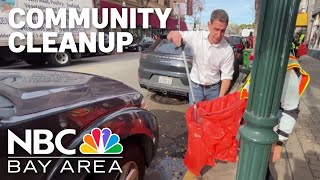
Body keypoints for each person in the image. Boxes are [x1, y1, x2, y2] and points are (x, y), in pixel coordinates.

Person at [240, 52, 310, 179]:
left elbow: (291, 109)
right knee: (253, 167)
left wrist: (279, 144)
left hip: (268, 132)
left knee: (261, 171)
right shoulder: (265, 56)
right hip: (253, 126)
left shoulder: (287, 67)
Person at [167, 9, 234, 104]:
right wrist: (174, 34)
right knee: (195, 116)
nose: (219, 35)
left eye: (222, 31)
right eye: (216, 29)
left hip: (213, 90)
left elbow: (227, 76)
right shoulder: (196, 37)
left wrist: (220, 98)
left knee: (212, 117)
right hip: (195, 88)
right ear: (209, 25)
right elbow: (171, 35)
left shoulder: (227, 50)